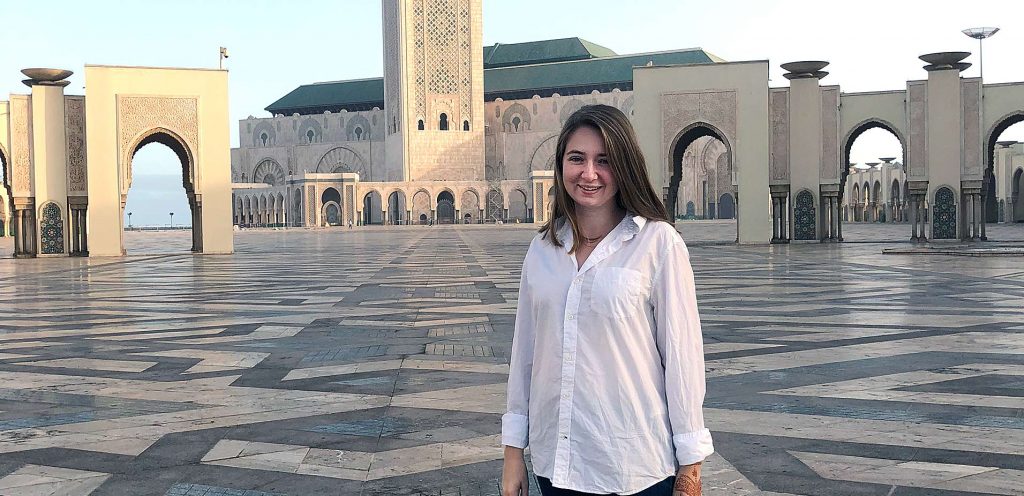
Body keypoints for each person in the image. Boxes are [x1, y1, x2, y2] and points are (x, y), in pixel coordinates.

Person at [501, 104, 713, 496]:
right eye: (576, 159)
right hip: (557, 464)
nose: (589, 173)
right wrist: (514, 451)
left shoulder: (658, 244)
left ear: (625, 166)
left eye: (605, 160)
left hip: (634, 467)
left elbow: (682, 359)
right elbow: (525, 355)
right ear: (561, 164)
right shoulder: (543, 249)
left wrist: (691, 466)